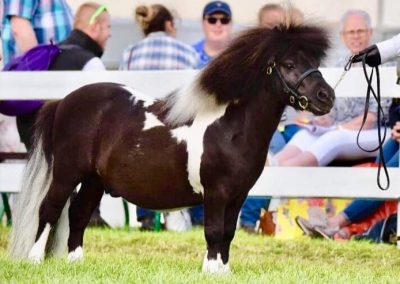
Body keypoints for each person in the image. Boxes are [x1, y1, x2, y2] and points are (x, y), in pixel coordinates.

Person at [272, 9, 389, 168]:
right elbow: (332, 112)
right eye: (350, 32)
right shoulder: (339, 65)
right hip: (339, 128)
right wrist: (322, 121)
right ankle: (272, 164)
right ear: (343, 36)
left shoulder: (384, 65)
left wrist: (335, 128)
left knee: (332, 138)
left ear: (370, 33)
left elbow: (371, 119)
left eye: (360, 31)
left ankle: (284, 172)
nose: (355, 36)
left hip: (375, 132)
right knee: (306, 134)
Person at [119, 4, 200, 231]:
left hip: (141, 127)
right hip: (178, 127)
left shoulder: (131, 53)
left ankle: (145, 216)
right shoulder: (189, 53)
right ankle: (180, 212)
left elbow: (126, 94)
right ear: (168, 25)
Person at [192, 1, 233, 68]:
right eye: (212, 20)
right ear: (203, 23)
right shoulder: (190, 54)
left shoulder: (239, 55)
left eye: (224, 20)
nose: (218, 24)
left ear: (231, 24)